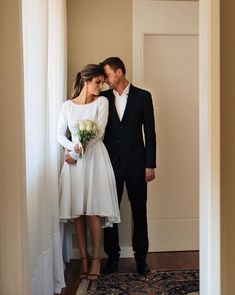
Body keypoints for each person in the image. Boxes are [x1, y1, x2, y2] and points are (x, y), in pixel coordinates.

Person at [57, 64, 120, 281]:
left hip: (93, 159)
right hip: (74, 163)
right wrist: (71, 148)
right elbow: (59, 135)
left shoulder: (101, 102)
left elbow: (98, 133)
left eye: (102, 82)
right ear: (86, 80)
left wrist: (75, 153)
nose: (100, 86)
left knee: (93, 211)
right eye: (97, 82)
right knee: (78, 212)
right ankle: (83, 259)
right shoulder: (67, 106)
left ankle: (95, 260)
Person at [100, 57, 156, 276]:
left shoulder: (143, 97)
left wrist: (150, 164)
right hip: (109, 165)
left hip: (137, 165)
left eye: (108, 75)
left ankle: (141, 259)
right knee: (110, 214)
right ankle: (112, 258)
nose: (105, 80)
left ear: (119, 72)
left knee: (139, 212)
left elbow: (150, 133)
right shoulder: (102, 98)